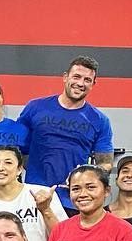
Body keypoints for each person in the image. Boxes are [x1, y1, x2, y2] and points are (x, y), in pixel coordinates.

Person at [20, 55, 115, 210]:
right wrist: (38, 170)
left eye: (87, 80)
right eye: (76, 77)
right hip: (33, 197)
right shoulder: (35, 107)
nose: (80, 83)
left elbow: (105, 163)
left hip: (73, 201)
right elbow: (17, 147)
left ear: (93, 84)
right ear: (65, 77)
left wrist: (82, 177)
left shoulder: (99, 120)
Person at [0, 143, 64, 241]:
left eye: (8, 163)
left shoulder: (41, 194)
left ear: (19, 170)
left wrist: (45, 210)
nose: (1, 168)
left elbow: (63, 238)